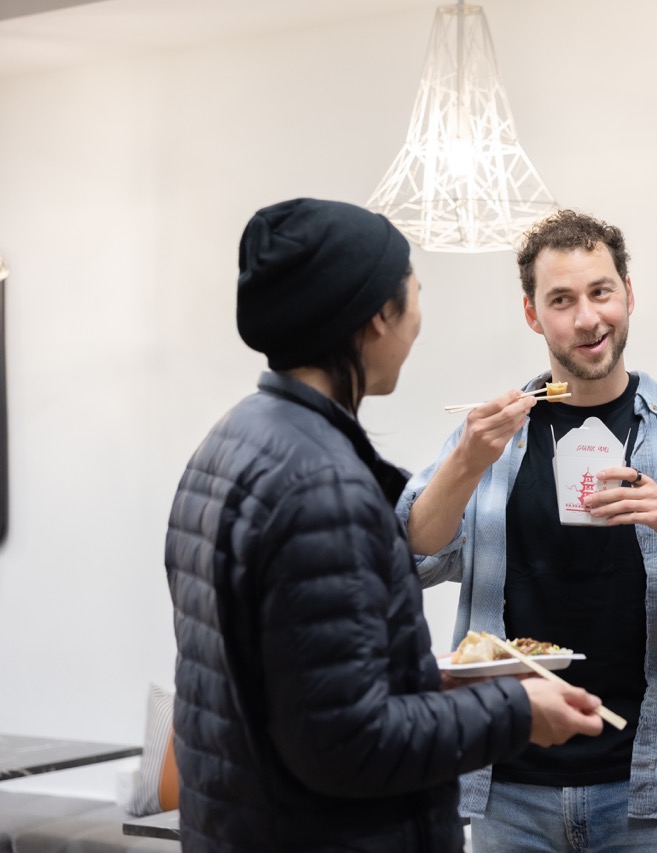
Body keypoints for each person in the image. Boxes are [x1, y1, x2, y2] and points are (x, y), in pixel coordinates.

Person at [164, 198, 604, 852]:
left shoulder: (232, 440)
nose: (419, 319)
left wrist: (424, 678)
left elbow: (295, 679)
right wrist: (514, 710)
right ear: (378, 317)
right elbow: (346, 741)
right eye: (415, 294)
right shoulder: (322, 485)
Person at [397, 209, 657, 852]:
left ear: (629, 292)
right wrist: (464, 463)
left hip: (656, 789)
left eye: (601, 292)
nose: (587, 319)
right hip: (508, 783)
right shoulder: (490, 436)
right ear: (532, 314)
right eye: (561, 300)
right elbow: (411, 558)